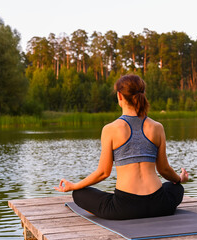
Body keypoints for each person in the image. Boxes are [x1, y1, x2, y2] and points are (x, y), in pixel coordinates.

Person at [54, 74, 189, 220]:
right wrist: (179, 178)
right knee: (175, 187)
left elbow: (103, 173)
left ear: (119, 96)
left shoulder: (110, 129)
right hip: (159, 205)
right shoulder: (157, 127)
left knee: (79, 194)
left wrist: (74, 186)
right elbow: (164, 169)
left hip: (125, 208)